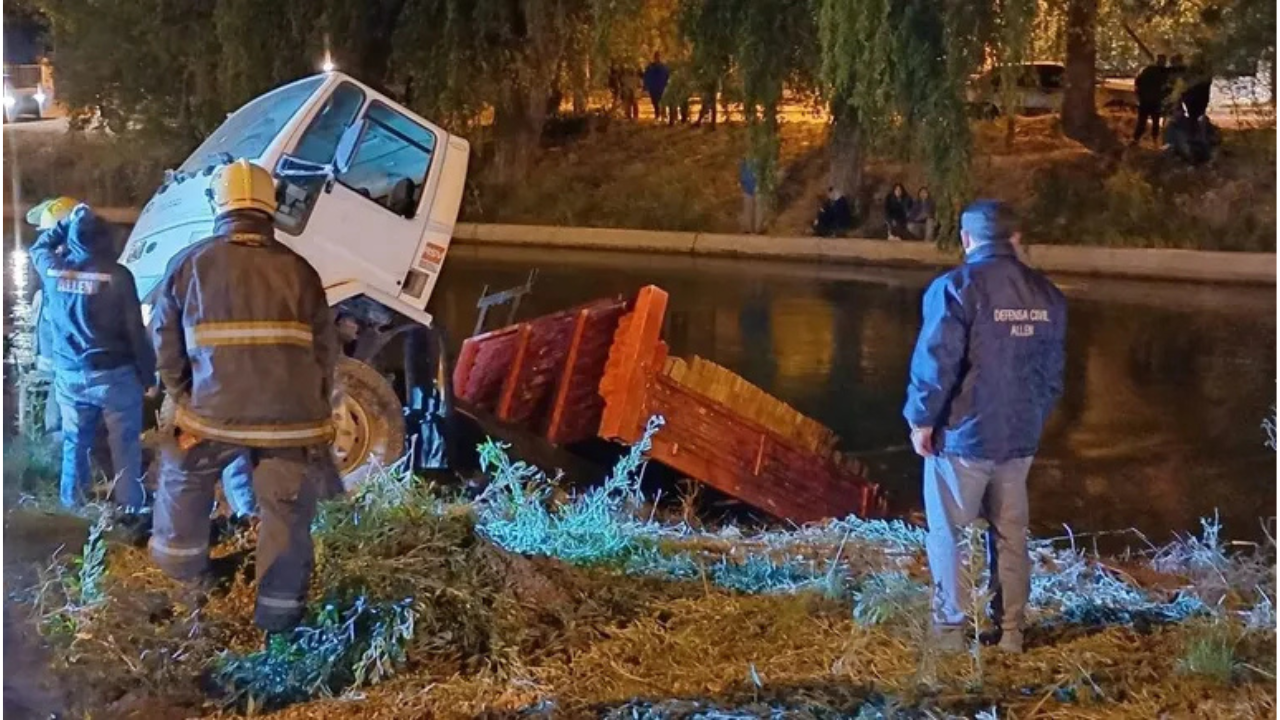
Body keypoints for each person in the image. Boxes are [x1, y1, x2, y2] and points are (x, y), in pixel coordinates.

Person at [149, 158, 341, 635]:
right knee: (287, 513)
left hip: (212, 417)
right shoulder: (302, 271)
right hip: (293, 421)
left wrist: (185, 399)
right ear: (270, 208)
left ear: (221, 206)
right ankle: (279, 622)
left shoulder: (190, 263)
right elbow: (325, 353)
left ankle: (179, 602)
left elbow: (166, 347)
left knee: (182, 483)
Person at [903, 200, 1066, 655]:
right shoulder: (1048, 294)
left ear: (967, 240)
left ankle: (951, 633)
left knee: (949, 534)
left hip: (963, 438)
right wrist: (1033, 418)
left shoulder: (955, 287)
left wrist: (921, 420)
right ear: (1015, 239)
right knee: (1011, 534)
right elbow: (1052, 377)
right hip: (1019, 439)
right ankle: (1011, 632)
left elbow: (936, 363)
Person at [30, 202, 155, 515]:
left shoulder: (53, 270)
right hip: (115, 376)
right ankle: (131, 510)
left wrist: (66, 223)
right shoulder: (118, 275)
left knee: (75, 443)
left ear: (71, 237)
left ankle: (73, 508)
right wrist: (148, 375)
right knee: (125, 446)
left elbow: (39, 245)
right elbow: (134, 332)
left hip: (71, 376)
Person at [1133, 54, 1169, 145]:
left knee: (1143, 121)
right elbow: (1167, 88)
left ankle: (1136, 139)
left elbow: (1137, 83)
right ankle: (1154, 141)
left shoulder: (1147, 70)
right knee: (1155, 121)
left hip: (1146, 100)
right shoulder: (1164, 73)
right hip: (1155, 101)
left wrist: (1139, 95)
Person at [643, 52, 670, 122]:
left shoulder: (664, 67)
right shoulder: (650, 67)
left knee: (663, 101)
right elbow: (646, 77)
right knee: (655, 102)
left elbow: (667, 76)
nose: (657, 58)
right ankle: (657, 115)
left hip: (661, 87)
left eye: (659, 57)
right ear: (654, 57)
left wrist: (667, 85)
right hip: (653, 87)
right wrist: (646, 86)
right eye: (656, 57)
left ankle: (664, 115)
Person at [739, 158, 762, 234]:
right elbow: (741, 172)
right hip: (747, 187)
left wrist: (759, 184)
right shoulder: (744, 160)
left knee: (759, 208)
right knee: (747, 208)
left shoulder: (760, 159)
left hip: (758, 187)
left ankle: (758, 228)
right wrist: (742, 183)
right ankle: (747, 228)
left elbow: (764, 173)